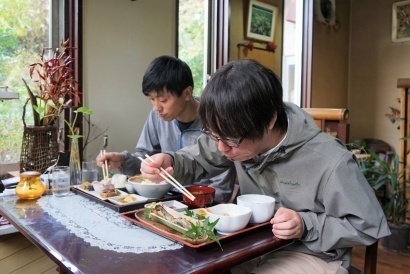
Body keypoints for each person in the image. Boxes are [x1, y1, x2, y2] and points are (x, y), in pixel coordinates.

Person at [140, 59, 390, 273]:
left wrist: (305, 224)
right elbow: (198, 157)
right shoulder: (233, 137)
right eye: (215, 137)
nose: (221, 149)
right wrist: (170, 160)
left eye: (230, 140)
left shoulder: (330, 160)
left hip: (312, 254)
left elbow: (367, 225)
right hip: (252, 245)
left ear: (269, 120)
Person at [96, 55, 235, 202]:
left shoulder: (214, 119)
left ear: (187, 93)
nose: (157, 108)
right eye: (151, 99)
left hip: (206, 202)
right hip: (165, 198)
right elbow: (148, 159)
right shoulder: (157, 117)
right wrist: (124, 160)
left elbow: (222, 172)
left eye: (163, 100)